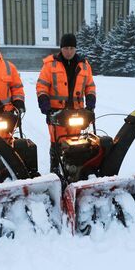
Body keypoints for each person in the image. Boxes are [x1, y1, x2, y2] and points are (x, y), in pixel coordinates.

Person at [36, 33, 96, 172]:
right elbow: (42, 87)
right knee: (56, 142)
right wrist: (46, 106)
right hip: (57, 113)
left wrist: (90, 104)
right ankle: (55, 168)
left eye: (71, 48)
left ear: (75, 48)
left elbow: (90, 86)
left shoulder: (84, 65)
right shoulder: (50, 65)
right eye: (66, 48)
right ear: (61, 48)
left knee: (76, 142)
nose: (69, 51)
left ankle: (73, 168)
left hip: (77, 112)